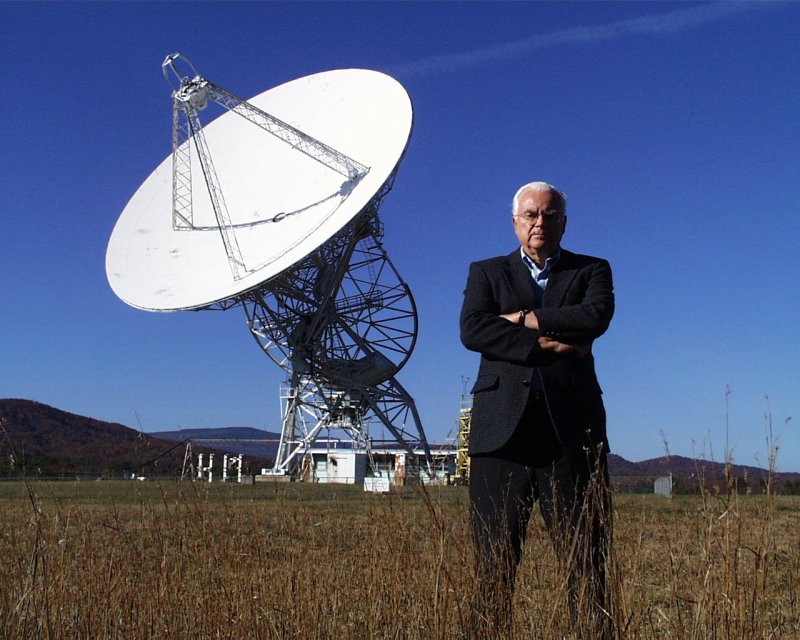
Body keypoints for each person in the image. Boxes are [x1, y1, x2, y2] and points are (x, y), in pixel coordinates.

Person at [459, 181, 615, 637]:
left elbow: (595, 317)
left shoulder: (591, 270)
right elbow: (473, 330)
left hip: (572, 434)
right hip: (501, 438)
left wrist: (522, 319)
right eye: (531, 214)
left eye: (549, 215)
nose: (539, 222)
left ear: (564, 223)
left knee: (586, 563)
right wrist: (544, 343)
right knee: (493, 567)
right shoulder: (487, 272)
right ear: (515, 222)